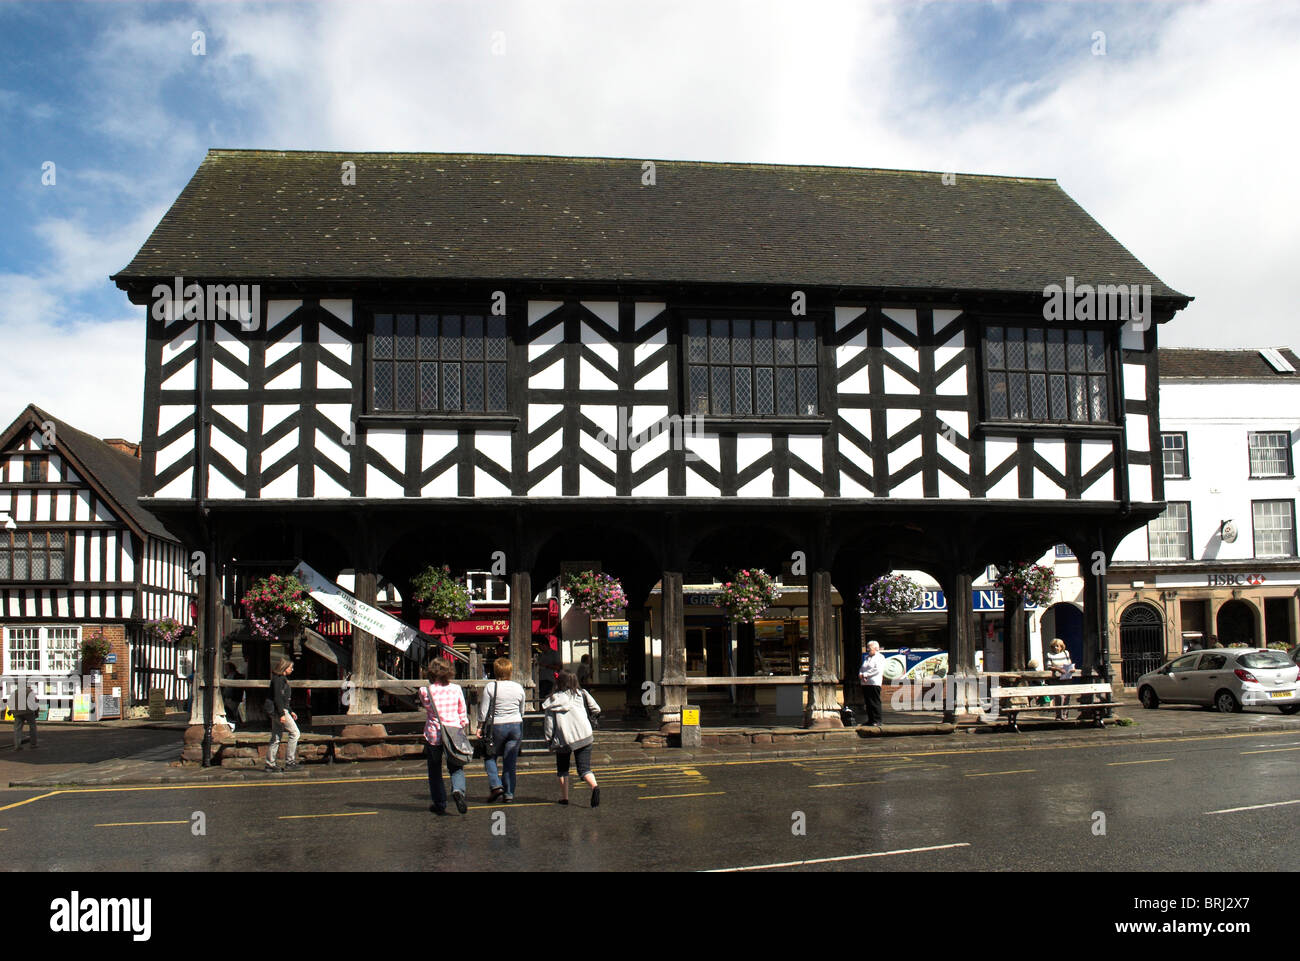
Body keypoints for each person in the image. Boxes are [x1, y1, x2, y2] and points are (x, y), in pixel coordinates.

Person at [543, 670, 601, 807]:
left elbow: (549, 724)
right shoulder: (582, 694)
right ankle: (594, 786)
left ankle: (565, 798)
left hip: (564, 739)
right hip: (585, 735)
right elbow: (596, 709)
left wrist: (549, 740)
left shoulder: (552, 700)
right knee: (584, 769)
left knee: (563, 769)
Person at [419, 658, 469, 815]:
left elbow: (427, 709)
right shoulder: (456, 689)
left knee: (434, 770)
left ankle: (440, 803)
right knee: (456, 766)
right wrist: (463, 724)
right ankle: (458, 790)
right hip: (453, 731)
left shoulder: (425, 691)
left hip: (434, 733)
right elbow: (462, 710)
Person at [478, 657, 526, 803]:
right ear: (510, 671)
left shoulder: (491, 687)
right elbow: (522, 710)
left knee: (490, 756)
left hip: (497, 726)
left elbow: (483, 711)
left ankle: (496, 785)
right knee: (510, 761)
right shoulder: (518, 687)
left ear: (495, 671)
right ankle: (509, 793)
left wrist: (479, 727)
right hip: (516, 725)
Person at [266, 657, 299, 771]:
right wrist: (282, 714)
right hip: (278, 711)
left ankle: (270, 763)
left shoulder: (281, 679)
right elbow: (278, 698)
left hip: (280, 710)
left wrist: (290, 710)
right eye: (291, 667)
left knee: (276, 736)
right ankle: (290, 761)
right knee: (295, 733)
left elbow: (284, 698)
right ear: (285, 668)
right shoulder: (279, 679)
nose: (292, 669)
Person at [1046, 638, 1073, 720]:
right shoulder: (1049, 654)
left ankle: (1065, 714)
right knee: (1059, 696)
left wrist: (1072, 668)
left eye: (1057, 646)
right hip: (1056, 678)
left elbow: (1069, 663)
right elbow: (1048, 666)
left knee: (1067, 696)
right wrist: (1058, 669)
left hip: (1066, 676)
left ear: (1061, 647)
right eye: (1054, 646)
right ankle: (1059, 715)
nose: (1056, 648)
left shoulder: (1066, 653)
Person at [859, 641, 885, 726]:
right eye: (867, 647)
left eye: (869, 648)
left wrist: (865, 674)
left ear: (876, 648)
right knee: (868, 702)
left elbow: (877, 669)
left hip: (874, 682)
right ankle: (870, 720)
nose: (867, 649)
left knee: (874, 701)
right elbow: (862, 668)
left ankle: (877, 720)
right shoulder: (867, 657)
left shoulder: (880, 657)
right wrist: (861, 674)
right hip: (865, 683)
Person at [9, 679, 38, 751]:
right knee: (32, 727)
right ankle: (33, 744)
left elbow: (10, 702)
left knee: (17, 729)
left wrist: (11, 711)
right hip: (28, 712)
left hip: (18, 712)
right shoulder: (29, 691)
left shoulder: (14, 692)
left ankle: (17, 745)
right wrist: (36, 711)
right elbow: (35, 702)